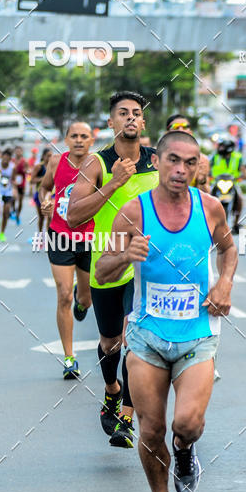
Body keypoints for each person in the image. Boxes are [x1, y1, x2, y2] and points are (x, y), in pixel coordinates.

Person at [95, 131, 238, 492]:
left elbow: (228, 249)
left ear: (199, 166)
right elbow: (101, 271)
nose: (181, 169)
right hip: (146, 337)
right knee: (151, 428)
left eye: (190, 163)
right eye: (173, 160)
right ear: (157, 161)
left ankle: (185, 449)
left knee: (187, 424)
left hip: (197, 334)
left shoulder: (210, 208)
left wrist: (224, 284)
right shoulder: (132, 212)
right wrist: (124, 256)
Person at [67, 92, 158, 446]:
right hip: (107, 265)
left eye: (136, 113)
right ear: (111, 122)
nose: (130, 118)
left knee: (135, 341)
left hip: (146, 267)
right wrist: (114, 183)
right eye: (123, 113)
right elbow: (73, 216)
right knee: (110, 343)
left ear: (143, 122)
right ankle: (111, 391)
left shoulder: (158, 162)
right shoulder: (97, 164)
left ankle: (126, 418)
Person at [37, 125, 93, 379]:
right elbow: (44, 187)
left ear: (91, 140)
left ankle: (83, 298)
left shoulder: (98, 164)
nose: (79, 140)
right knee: (63, 295)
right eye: (74, 136)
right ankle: (69, 358)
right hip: (60, 235)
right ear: (67, 139)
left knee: (85, 299)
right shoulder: (56, 161)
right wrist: (45, 200)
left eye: (84, 136)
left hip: (90, 237)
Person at [209, 136, 246, 233]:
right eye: (220, 146)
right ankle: (207, 220)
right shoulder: (215, 157)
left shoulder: (237, 157)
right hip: (216, 183)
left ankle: (236, 224)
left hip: (232, 183)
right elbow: (208, 168)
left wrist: (245, 175)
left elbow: (245, 172)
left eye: (222, 146)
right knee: (207, 198)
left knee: (240, 199)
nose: (220, 148)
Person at [166, 113, 210, 191]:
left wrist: (201, 180)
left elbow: (204, 195)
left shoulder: (201, 160)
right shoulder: (157, 157)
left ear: (191, 132)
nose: (181, 130)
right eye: (175, 127)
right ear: (167, 133)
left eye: (185, 127)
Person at [31, 148, 52, 238]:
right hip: (40, 194)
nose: (50, 158)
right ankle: (40, 234)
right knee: (41, 217)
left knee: (50, 216)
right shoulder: (39, 166)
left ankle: (48, 237)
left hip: (51, 194)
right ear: (43, 156)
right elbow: (32, 180)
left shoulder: (53, 166)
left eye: (51, 156)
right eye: (48, 156)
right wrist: (42, 179)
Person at [0, 149, 15, 242]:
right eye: (4, 158)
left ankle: (2, 233)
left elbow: (14, 180)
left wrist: (14, 188)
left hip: (7, 192)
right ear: (2, 157)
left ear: (10, 159)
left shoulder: (12, 167)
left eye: (8, 158)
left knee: (6, 212)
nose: (5, 160)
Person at [12, 146, 27, 224]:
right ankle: (13, 209)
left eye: (19, 151)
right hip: (14, 181)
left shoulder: (24, 161)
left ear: (22, 152)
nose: (18, 153)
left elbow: (28, 170)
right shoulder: (12, 161)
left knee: (20, 200)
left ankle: (18, 214)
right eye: (16, 151)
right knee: (13, 197)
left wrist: (26, 170)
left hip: (22, 182)